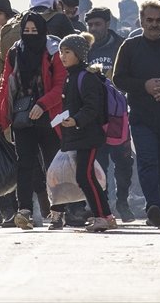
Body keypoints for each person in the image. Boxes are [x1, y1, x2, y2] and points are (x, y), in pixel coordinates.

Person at [0, 10, 67, 230]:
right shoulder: (15, 52)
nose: (30, 34)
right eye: (27, 30)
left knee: (53, 165)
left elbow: (61, 85)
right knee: (25, 165)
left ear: (42, 31)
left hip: (50, 117)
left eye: (35, 30)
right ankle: (24, 211)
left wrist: (42, 104)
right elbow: (6, 87)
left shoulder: (53, 51)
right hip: (22, 117)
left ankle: (57, 211)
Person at [112, 0, 160, 227]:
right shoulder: (130, 47)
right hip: (142, 116)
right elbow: (118, 78)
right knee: (147, 160)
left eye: (159, 20)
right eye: (149, 20)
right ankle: (154, 205)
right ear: (141, 21)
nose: (154, 25)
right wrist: (145, 86)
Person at [56, 33, 114, 232]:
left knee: (85, 176)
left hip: (88, 135)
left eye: (67, 52)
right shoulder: (71, 76)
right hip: (79, 135)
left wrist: (76, 120)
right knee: (86, 176)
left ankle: (101, 217)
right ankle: (106, 216)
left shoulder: (86, 77)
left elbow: (92, 108)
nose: (62, 56)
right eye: (61, 52)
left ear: (79, 55)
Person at [84, 6, 134, 221]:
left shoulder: (122, 46)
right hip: (95, 117)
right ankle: (102, 206)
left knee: (123, 162)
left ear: (107, 24)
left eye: (98, 24)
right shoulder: (84, 48)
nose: (94, 29)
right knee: (98, 164)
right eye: (91, 25)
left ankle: (122, 201)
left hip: (119, 115)